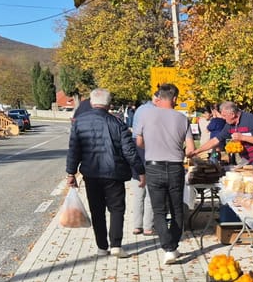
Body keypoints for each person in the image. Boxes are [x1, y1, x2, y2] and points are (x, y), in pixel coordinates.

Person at [65, 88, 145, 258]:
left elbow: (74, 150)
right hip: (114, 173)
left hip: (91, 173)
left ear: (92, 103)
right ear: (109, 105)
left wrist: (71, 173)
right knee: (117, 209)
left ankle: (102, 247)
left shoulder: (79, 122)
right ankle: (116, 245)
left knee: (97, 210)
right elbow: (129, 151)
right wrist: (140, 171)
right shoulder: (117, 123)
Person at [136, 83, 195, 265]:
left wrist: (152, 147)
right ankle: (173, 246)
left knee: (159, 210)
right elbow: (191, 150)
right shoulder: (182, 118)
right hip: (176, 167)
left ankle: (167, 248)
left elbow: (138, 142)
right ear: (175, 99)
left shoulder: (145, 114)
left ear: (158, 97)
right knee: (177, 209)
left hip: (153, 167)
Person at [196, 101, 253, 165]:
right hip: (247, 161)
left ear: (232, 114)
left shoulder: (250, 119)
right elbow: (215, 140)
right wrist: (196, 151)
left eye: (224, 116)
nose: (223, 118)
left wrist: (242, 137)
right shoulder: (229, 124)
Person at [128, 93, 158, 236]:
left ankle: (137, 226)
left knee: (139, 193)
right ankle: (147, 227)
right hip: (150, 153)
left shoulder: (140, 109)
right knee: (150, 195)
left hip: (137, 155)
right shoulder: (154, 111)